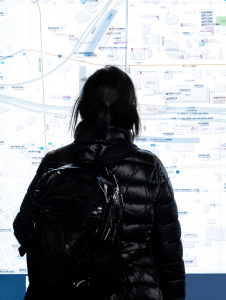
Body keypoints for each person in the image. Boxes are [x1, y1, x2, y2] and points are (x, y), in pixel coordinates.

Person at [14, 66, 186, 299]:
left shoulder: (54, 162)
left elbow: (23, 229)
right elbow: (169, 258)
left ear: (84, 109)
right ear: (129, 113)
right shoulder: (149, 168)